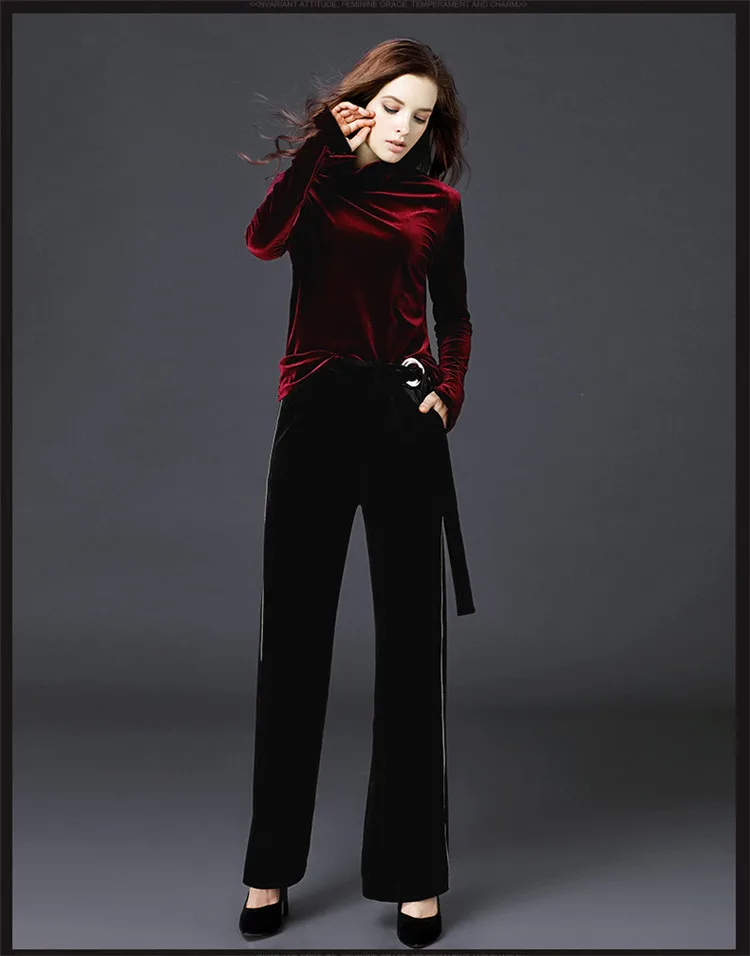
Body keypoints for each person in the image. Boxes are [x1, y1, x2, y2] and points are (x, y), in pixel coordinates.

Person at [236, 37, 475, 948]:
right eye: (393, 106)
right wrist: (320, 151)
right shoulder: (320, 183)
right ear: (361, 103)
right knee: (292, 648)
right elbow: (262, 241)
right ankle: (268, 868)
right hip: (315, 413)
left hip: (402, 420)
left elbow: (455, 315)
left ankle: (417, 877)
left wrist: (447, 394)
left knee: (413, 651)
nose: (406, 127)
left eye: (423, 115)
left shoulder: (438, 205)